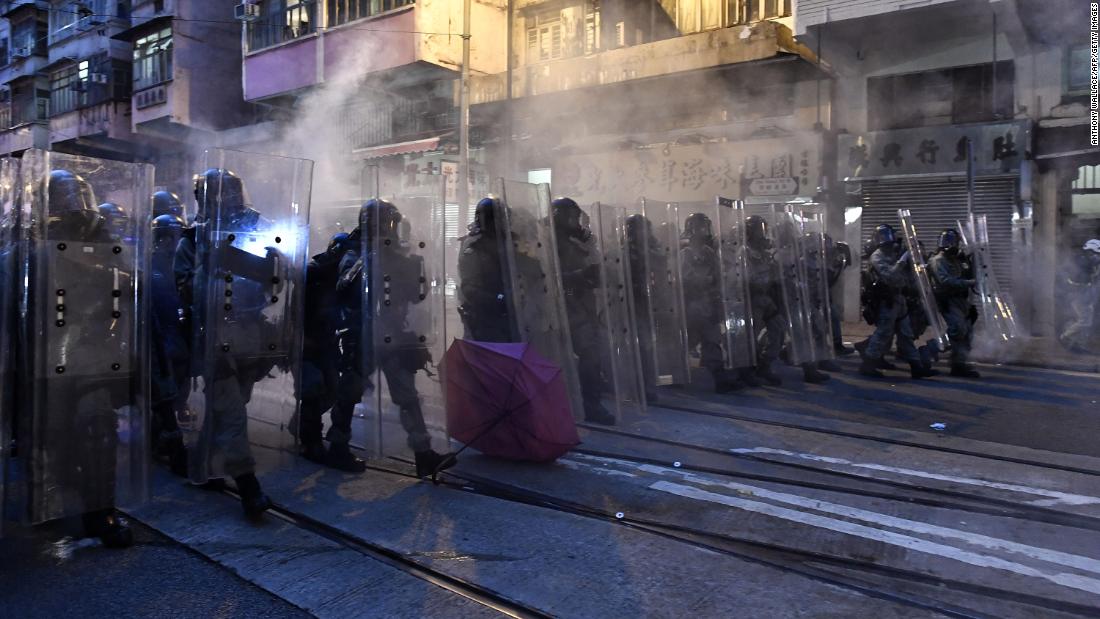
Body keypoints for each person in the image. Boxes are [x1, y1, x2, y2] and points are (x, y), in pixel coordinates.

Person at [26, 170, 134, 546]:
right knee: (48, 436)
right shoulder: (27, 246)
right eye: (65, 198)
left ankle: (100, 513)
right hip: (43, 358)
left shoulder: (105, 243)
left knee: (98, 430)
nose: (74, 208)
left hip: (91, 356)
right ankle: (49, 501)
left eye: (78, 197)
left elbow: (130, 283)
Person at [175, 168, 274, 519]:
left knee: (231, 407)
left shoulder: (253, 230)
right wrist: (215, 261)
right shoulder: (192, 239)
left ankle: (202, 467)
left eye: (233, 192)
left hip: (249, 331)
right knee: (231, 412)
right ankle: (249, 487)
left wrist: (273, 263)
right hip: (213, 334)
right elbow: (188, 291)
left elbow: (279, 274)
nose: (230, 200)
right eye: (222, 194)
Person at [336, 199, 457, 477]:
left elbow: (418, 295)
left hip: (394, 335)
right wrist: (370, 259)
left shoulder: (401, 256)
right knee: (350, 392)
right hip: (363, 334)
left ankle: (424, 453)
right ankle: (337, 444)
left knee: (408, 397)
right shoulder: (354, 252)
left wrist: (412, 266)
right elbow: (344, 288)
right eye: (389, 223)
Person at [296, 231, 365, 472]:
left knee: (333, 390)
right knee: (314, 387)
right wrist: (301, 337)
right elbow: (294, 309)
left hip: (326, 339)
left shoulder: (338, 274)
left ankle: (303, 425)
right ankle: (310, 441)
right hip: (307, 339)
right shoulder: (312, 272)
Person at [550, 197, 619, 421]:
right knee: (570, 355)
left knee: (592, 354)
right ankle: (578, 404)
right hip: (558, 307)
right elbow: (547, 277)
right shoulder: (547, 242)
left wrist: (597, 274)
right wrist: (580, 276)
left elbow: (594, 266)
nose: (576, 222)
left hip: (581, 306)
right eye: (571, 217)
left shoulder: (578, 242)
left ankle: (590, 402)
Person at [858, 224, 938, 379]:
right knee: (883, 333)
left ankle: (916, 367)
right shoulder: (877, 256)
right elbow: (889, 276)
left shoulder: (894, 253)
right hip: (886, 300)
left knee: (906, 334)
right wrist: (902, 260)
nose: (889, 240)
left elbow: (907, 276)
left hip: (899, 300)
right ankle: (867, 364)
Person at [679, 212, 744, 392]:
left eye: (705, 227)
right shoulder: (683, 254)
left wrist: (716, 295)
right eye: (700, 228)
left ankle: (719, 378)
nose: (704, 232)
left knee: (711, 339)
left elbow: (717, 276)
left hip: (706, 303)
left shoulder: (708, 252)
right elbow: (681, 279)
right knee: (687, 341)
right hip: (691, 304)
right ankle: (673, 372)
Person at [149, 213, 189, 476]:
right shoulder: (152, 269)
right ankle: (168, 444)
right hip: (159, 338)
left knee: (175, 390)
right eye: (175, 236)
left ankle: (161, 436)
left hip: (175, 335)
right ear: (163, 239)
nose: (179, 241)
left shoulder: (175, 263)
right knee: (164, 394)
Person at [457, 198, 512, 343]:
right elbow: (469, 289)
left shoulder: (507, 243)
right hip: (484, 319)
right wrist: (499, 299)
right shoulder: (474, 247)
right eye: (499, 219)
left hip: (507, 316)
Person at [929, 229, 980, 378]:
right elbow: (945, 281)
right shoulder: (938, 260)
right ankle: (930, 349)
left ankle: (959, 364)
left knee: (967, 333)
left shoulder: (956, 260)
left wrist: (972, 262)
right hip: (948, 300)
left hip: (961, 300)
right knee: (958, 329)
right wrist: (968, 282)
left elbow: (966, 273)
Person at [1060, 239, 1100, 353]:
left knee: (1085, 320)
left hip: (1082, 295)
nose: (1096, 256)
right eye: (1096, 253)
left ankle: (1077, 344)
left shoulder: (1085, 260)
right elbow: (1082, 280)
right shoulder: (1083, 261)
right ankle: (1065, 337)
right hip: (1078, 295)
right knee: (1085, 320)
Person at [825, 235, 855, 356]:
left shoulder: (827, 260)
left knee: (833, 318)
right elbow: (826, 279)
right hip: (815, 298)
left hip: (824, 296)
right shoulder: (815, 260)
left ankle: (835, 346)